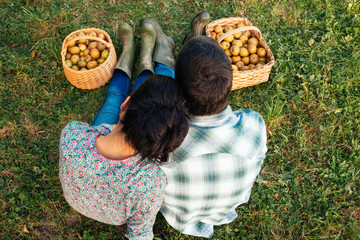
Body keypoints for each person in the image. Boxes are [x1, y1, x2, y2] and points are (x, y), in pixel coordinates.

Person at [59, 20, 189, 239]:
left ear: (125, 106)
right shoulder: (151, 183)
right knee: (149, 99)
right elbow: (140, 234)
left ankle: (129, 56)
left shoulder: (72, 135)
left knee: (116, 96)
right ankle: (147, 56)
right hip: (110, 210)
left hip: (84, 182)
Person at [159, 12, 268, 238]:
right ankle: (184, 44)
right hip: (221, 212)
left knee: (160, 81)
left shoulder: (163, 141)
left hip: (178, 215)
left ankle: (165, 53)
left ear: (178, 93)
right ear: (230, 83)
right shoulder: (254, 127)